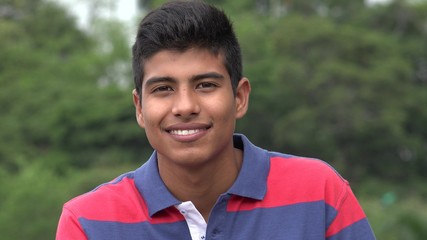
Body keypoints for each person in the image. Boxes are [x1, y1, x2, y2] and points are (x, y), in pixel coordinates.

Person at [56, 1, 376, 239]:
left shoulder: (319, 193)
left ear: (240, 97)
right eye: (163, 89)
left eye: (205, 85)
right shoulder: (88, 222)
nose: (184, 106)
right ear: (139, 107)